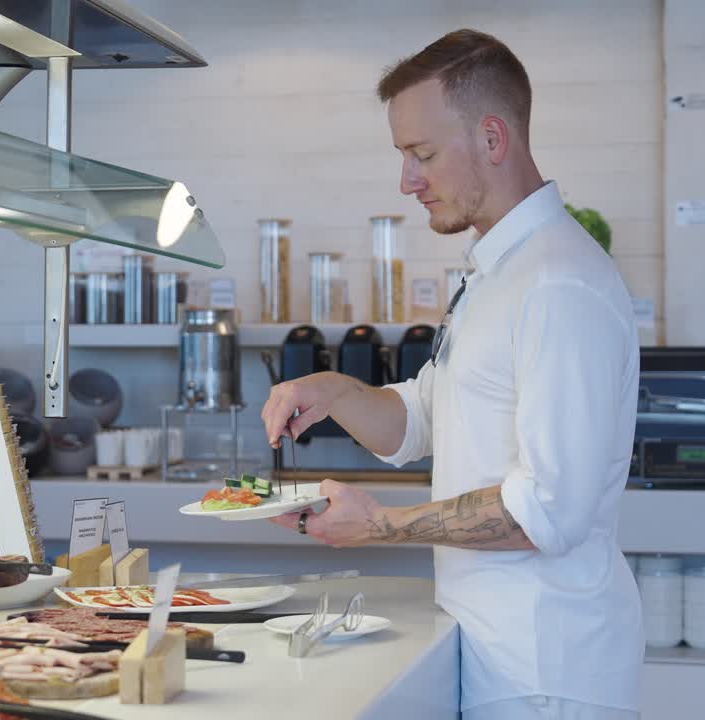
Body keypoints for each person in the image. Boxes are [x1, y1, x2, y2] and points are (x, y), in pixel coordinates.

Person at [261, 29, 643, 719]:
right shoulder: (499, 270)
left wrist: (378, 525)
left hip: (545, 670)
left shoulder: (560, 285)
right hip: (495, 653)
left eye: (423, 154)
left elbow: (547, 511)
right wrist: (335, 390)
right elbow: (423, 419)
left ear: (493, 140)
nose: (407, 180)